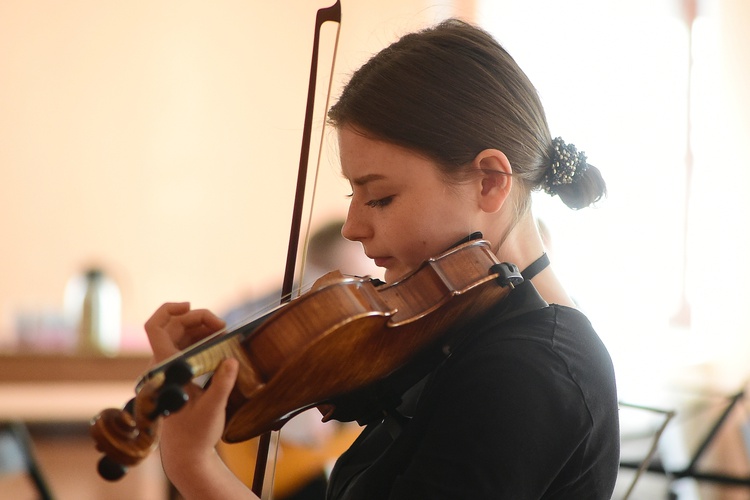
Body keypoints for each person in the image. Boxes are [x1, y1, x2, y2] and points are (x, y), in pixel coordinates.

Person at [145, 19, 619, 499]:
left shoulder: (531, 372)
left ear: (490, 182)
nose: (352, 227)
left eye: (380, 197)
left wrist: (192, 464)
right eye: (353, 194)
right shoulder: (458, 333)